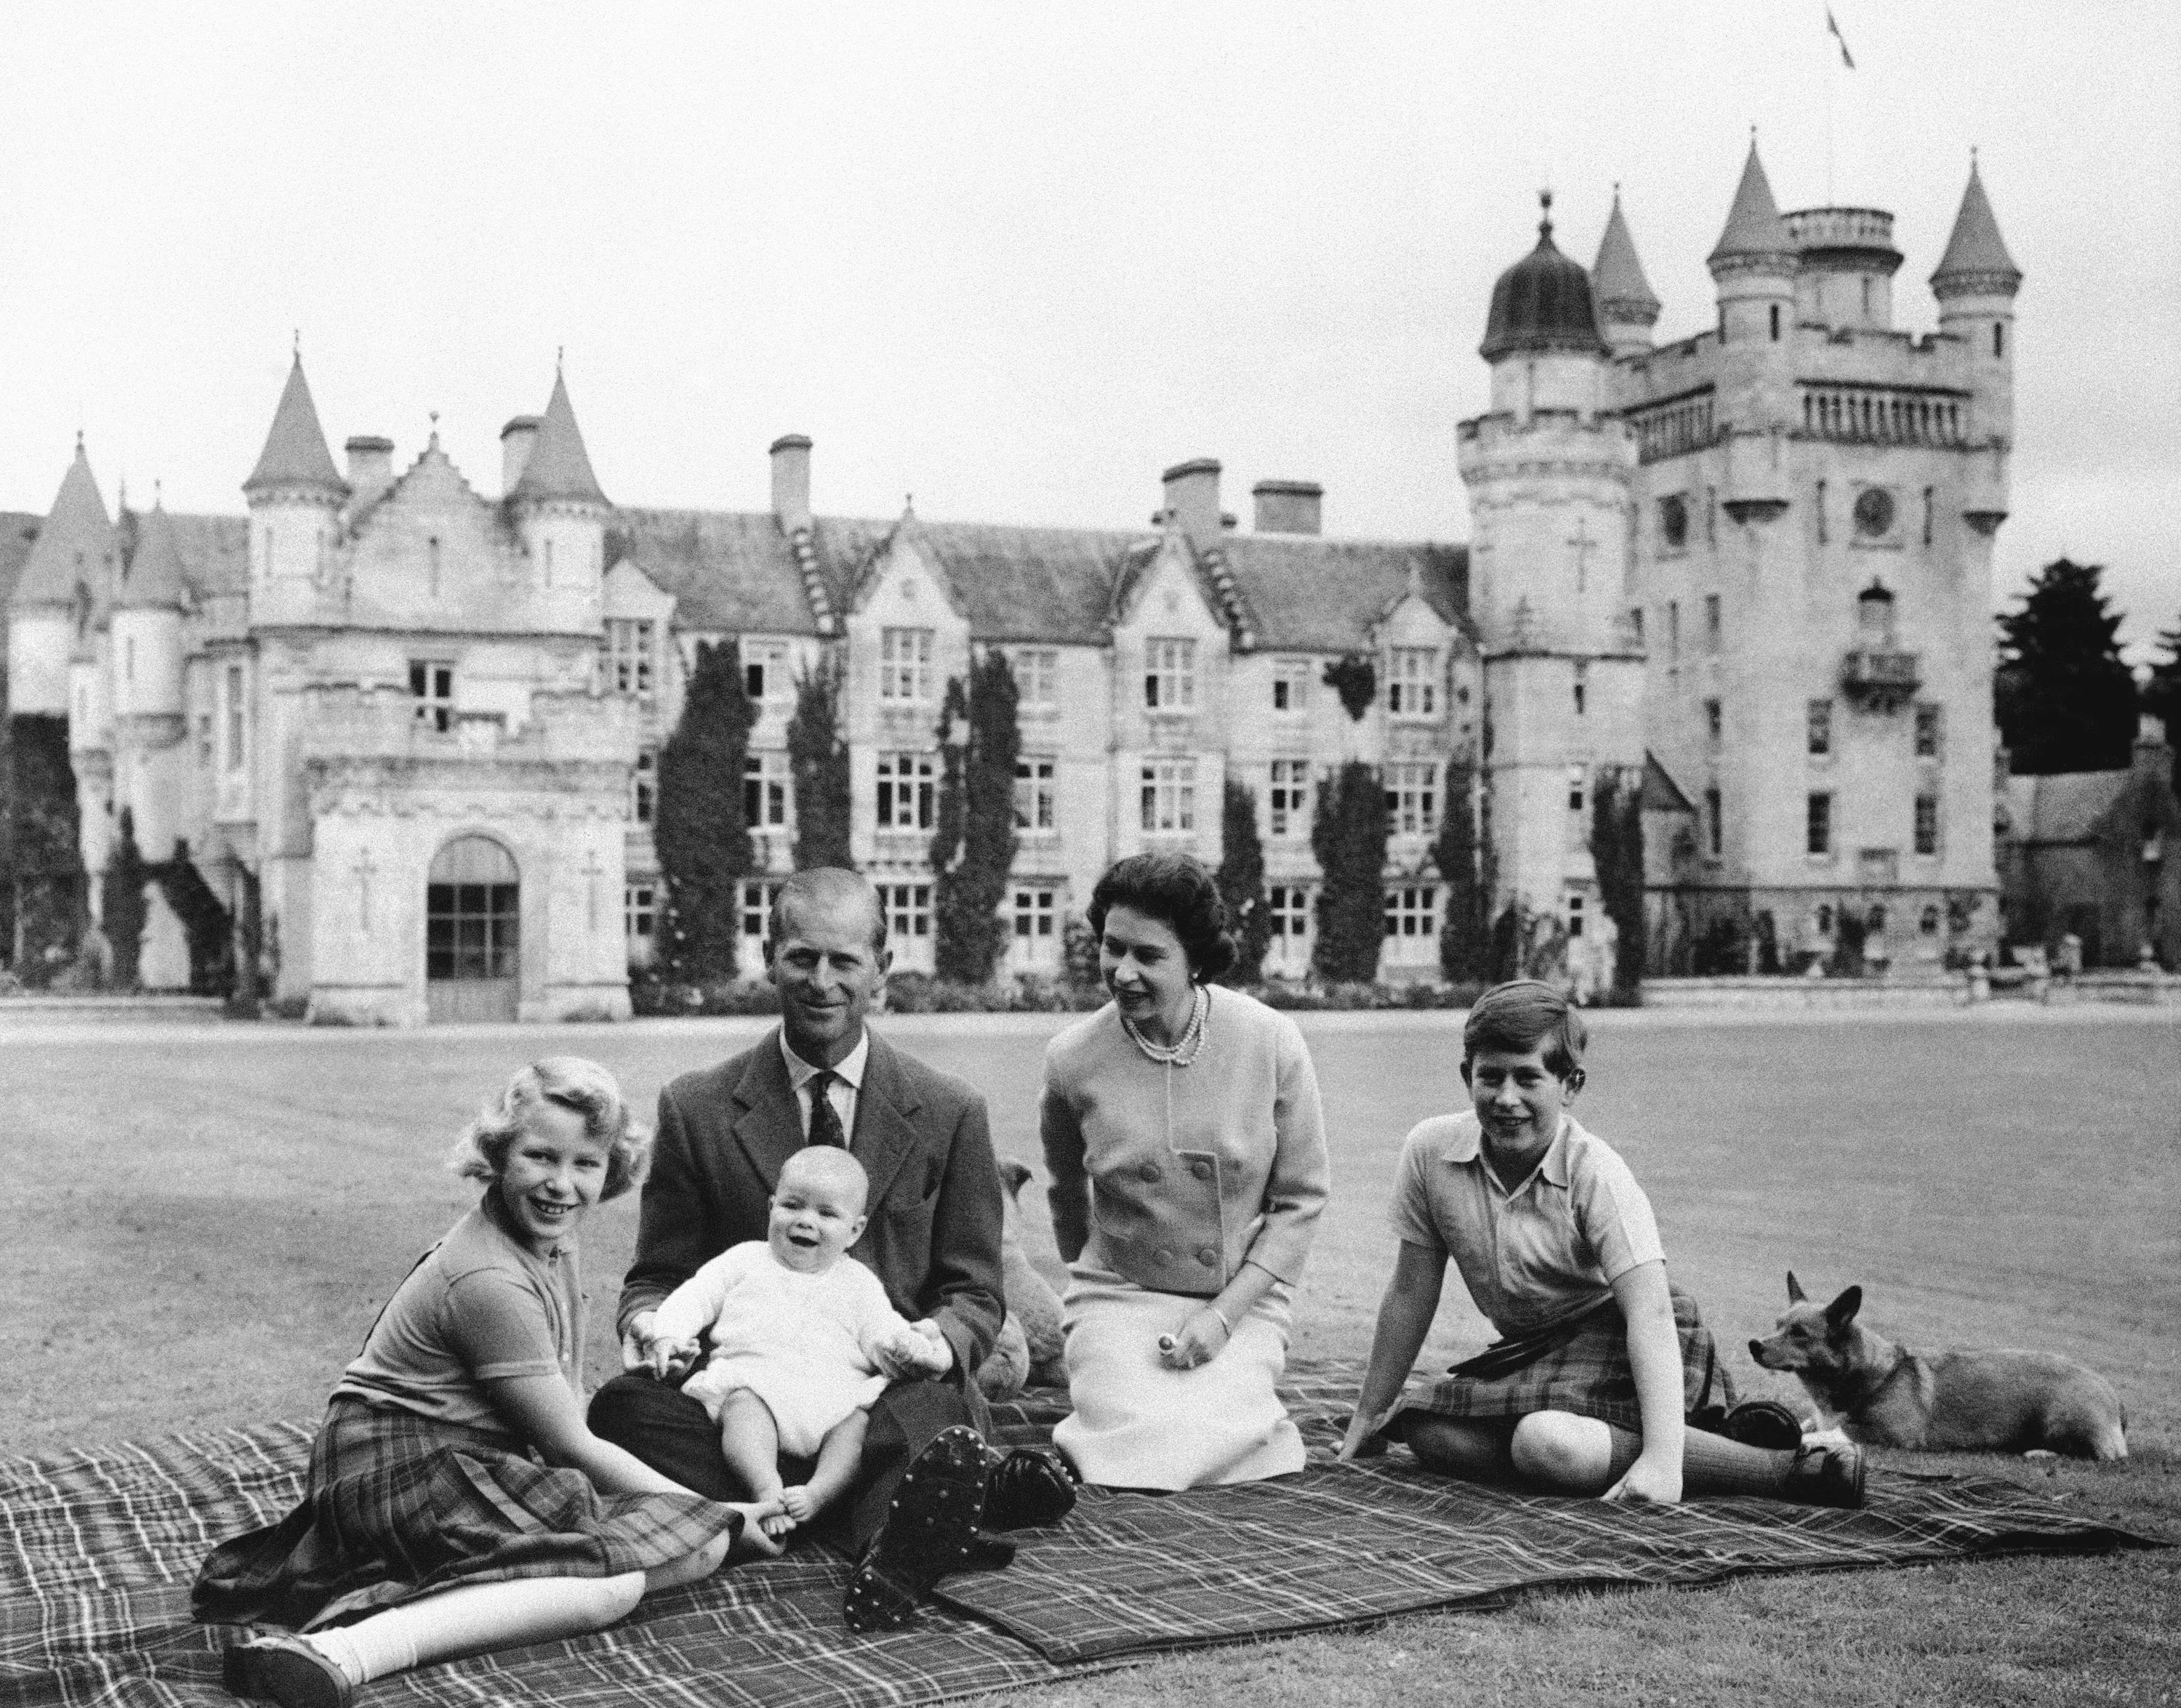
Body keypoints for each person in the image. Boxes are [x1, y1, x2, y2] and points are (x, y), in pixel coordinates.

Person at [195, 1058, 779, 1708]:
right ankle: (343, 1651)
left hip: (464, 1459)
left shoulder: (550, 1237)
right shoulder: (487, 1279)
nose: (562, 1185)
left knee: (685, 1549)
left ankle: (432, 1598)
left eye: (586, 1163)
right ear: (497, 1155)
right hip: (392, 1465)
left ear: (611, 1170)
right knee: (620, 1578)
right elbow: (572, 1447)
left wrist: (701, 1521)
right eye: (539, 1157)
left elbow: (565, 1405)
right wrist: (722, 1512)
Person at [587, 869, 1076, 1632]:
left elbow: (976, 1292)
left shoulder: (949, 1110)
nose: (822, 982)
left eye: (845, 961)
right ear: (768, 956)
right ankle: (904, 1511)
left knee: (939, 1406)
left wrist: (935, 1344)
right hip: (744, 1410)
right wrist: (653, 1327)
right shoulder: (698, 1105)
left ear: (881, 967)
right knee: (621, 1409)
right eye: (802, 957)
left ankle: (834, 1524)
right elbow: (659, 1275)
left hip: (878, 1405)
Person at [1335, 981, 1865, 1508]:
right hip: (1533, 1351)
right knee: (1425, 1428)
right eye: (1490, 1077)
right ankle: (1712, 1441)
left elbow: (1651, 1312)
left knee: (1548, 1442)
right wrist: (1367, 1415)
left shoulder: (1597, 1172)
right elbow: (1410, 1291)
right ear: (1465, 1077)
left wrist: (1661, 1461)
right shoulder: (1430, 1152)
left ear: (1570, 1085)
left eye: (1528, 1078)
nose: (1506, 1098)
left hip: (1629, 1335)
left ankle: (1789, 1466)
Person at [1041, 852, 1330, 1489]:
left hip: (1240, 1298)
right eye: (1112, 949)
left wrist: (1224, 1316)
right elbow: (1066, 1195)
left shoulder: (1271, 1042)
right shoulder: (1072, 1059)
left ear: (1196, 959)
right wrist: (1105, 1288)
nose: (1123, 973)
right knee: (1130, 1419)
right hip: (1119, 1292)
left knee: (1211, 1427)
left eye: (1149, 956)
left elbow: (1302, 1201)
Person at [646, 1148, 949, 1538]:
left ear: (855, 1231)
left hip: (833, 1397)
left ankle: (820, 1494)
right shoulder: (744, 1261)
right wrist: (670, 1333)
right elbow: (695, 1296)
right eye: (792, 1205)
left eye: (827, 1214)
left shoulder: (858, 1282)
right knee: (742, 1409)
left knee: (857, 1425)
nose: (806, 1221)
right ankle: (766, 1489)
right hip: (758, 1382)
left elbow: (882, 1333)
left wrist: (911, 1348)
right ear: (771, 1207)